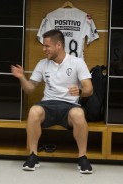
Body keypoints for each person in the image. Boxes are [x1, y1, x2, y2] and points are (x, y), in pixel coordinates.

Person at [11, 29, 93, 174]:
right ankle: (33, 156)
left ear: (59, 45)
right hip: (47, 105)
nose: (44, 49)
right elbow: (30, 89)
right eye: (44, 46)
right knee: (34, 111)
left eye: (47, 46)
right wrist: (22, 77)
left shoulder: (77, 62)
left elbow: (89, 89)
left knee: (79, 115)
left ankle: (82, 158)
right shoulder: (43, 64)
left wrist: (79, 91)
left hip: (69, 107)